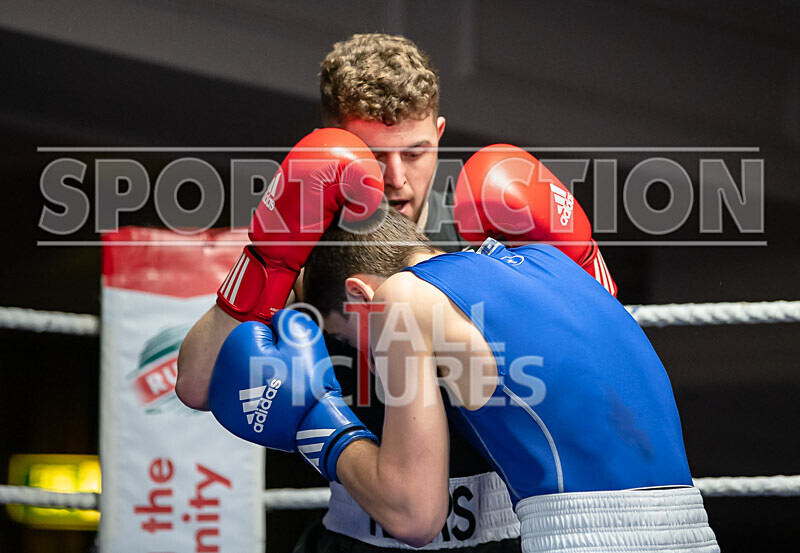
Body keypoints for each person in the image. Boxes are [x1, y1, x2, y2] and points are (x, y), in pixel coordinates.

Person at [177, 32, 613, 552]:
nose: (396, 178)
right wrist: (268, 256)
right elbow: (196, 383)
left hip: (504, 534)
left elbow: (600, 370)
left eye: (415, 151)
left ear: (440, 135)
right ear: (332, 143)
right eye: (373, 154)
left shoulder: (490, 238)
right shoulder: (305, 251)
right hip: (355, 532)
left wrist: (586, 260)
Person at [208, 204, 720, 553]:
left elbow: (414, 515)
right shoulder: (548, 260)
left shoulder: (398, 300)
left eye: (349, 338)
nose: (362, 360)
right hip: (695, 530)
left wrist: (315, 423)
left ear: (361, 295)